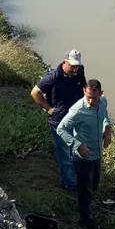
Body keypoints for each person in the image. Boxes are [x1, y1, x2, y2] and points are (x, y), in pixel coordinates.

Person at [56, 78, 112, 229]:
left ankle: (85, 211)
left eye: (94, 98)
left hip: (96, 155)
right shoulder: (78, 110)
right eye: (88, 97)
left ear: (100, 94)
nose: (90, 101)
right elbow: (61, 128)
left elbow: (105, 116)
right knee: (85, 191)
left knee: (94, 184)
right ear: (84, 92)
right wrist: (77, 145)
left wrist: (107, 129)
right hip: (82, 157)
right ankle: (88, 225)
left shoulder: (103, 102)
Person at [32, 49, 87, 190]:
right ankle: (68, 183)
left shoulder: (79, 72)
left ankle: (77, 175)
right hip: (60, 122)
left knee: (77, 149)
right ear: (64, 62)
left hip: (76, 118)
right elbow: (35, 92)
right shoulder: (52, 78)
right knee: (65, 153)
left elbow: (83, 87)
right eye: (72, 65)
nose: (75, 69)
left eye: (77, 66)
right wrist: (49, 108)